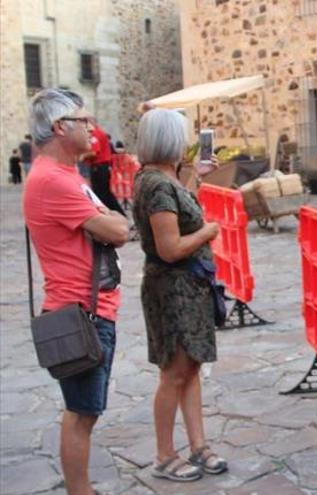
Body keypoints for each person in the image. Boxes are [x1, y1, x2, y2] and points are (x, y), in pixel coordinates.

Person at [23, 88, 129, 495]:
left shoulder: (66, 175)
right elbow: (119, 230)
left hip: (89, 308)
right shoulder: (53, 180)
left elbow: (112, 225)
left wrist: (103, 217)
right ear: (59, 127)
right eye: (84, 120)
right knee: (82, 412)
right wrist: (105, 217)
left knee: (86, 409)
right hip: (82, 313)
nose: (93, 129)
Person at [131, 109, 227, 482]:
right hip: (174, 289)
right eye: (183, 136)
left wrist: (195, 179)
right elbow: (170, 247)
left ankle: (198, 445)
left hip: (186, 287)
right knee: (174, 372)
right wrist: (208, 232)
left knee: (190, 367)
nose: (188, 142)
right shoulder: (156, 184)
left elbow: (177, 208)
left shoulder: (162, 179)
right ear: (169, 140)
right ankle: (164, 454)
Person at [83, 122, 125, 215]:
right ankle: (118, 214)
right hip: (101, 167)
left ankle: (115, 215)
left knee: (101, 194)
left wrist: (81, 156)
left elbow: (94, 152)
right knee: (104, 193)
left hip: (99, 167)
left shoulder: (94, 134)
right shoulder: (99, 132)